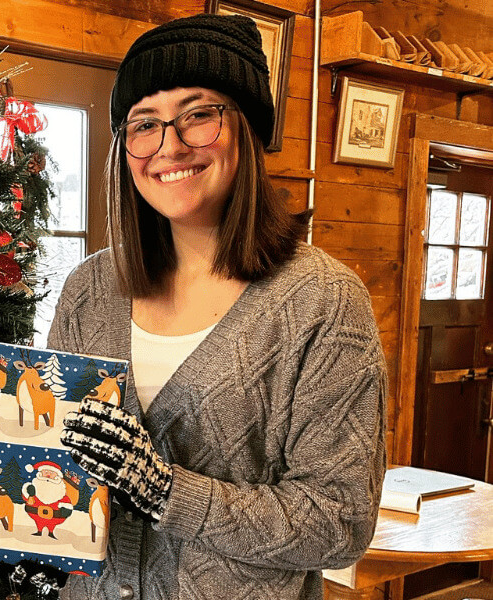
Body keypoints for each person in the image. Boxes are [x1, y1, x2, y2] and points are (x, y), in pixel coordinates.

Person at [50, 13, 387, 600]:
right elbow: (59, 459)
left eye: (199, 115)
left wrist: (166, 491)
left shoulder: (323, 303)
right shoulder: (88, 290)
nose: (169, 146)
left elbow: (340, 523)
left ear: (248, 129)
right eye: (143, 125)